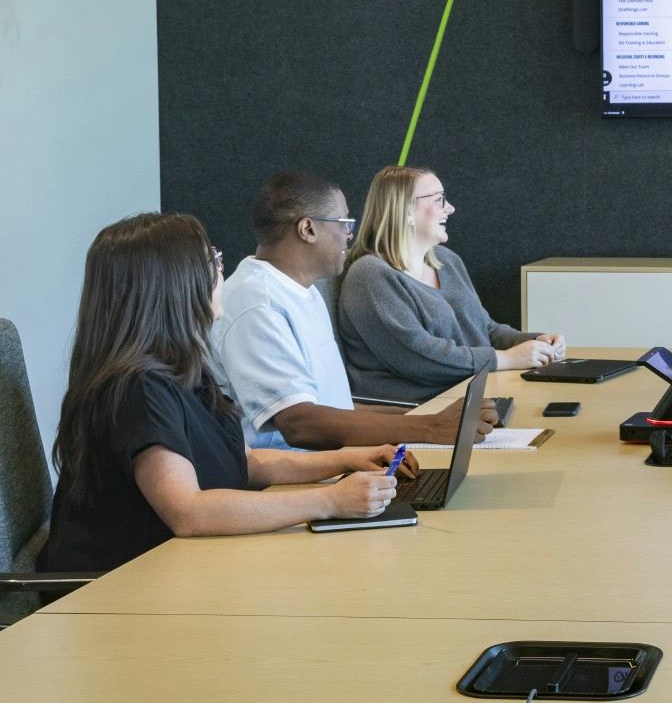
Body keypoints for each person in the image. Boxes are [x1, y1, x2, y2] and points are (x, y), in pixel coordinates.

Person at [42, 213, 410, 574]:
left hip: (181, 572)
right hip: (115, 595)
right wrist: (329, 500)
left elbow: (247, 464)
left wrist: (349, 460)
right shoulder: (137, 389)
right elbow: (187, 511)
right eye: (212, 260)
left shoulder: (184, 369)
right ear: (173, 283)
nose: (221, 269)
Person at [212, 171, 499, 449]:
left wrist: (433, 417)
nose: (350, 235)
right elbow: (300, 424)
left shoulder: (303, 290)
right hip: (288, 482)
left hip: (331, 463)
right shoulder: (258, 303)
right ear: (308, 229)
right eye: (344, 223)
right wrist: (430, 427)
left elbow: (338, 408)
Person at [339, 165, 566, 403]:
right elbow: (418, 359)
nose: (450, 208)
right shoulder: (370, 276)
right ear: (405, 209)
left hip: (470, 395)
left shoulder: (446, 260)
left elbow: (483, 328)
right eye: (439, 200)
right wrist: (506, 359)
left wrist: (533, 343)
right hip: (417, 412)